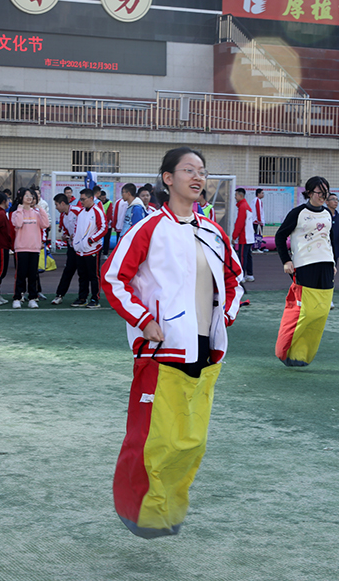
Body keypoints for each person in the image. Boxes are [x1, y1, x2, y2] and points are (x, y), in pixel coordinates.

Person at [101, 146, 243, 539]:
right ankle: (139, 513)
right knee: (153, 438)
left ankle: (167, 513)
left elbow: (234, 279)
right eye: (188, 170)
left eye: (202, 171)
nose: (198, 177)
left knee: (191, 442)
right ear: (168, 178)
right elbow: (114, 278)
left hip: (205, 348)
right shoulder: (149, 228)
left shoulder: (213, 232)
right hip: (161, 350)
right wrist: (144, 320)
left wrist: (225, 316)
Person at [274, 175, 335, 364]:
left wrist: (333, 262)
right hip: (305, 265)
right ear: (309, 192)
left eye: (326, 193)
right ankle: (286, 351)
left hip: (326, 264)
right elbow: (280, 236)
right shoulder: (298, 213)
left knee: (321, 311)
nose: (323, 197)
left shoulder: (327, 213)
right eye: (319, 192)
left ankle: (303, 354)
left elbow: (328, 239)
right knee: (305, 312)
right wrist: (286, 261)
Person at [10, 188, 50, 308]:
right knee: (21, 275)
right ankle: (17, 298)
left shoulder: (37, 213)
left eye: (31, 196)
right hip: (21, 248)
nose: (29, 198)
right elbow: (18, 223)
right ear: (21, 198)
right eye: (26, 195)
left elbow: (45, 224)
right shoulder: (16, 213)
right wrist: (20, 209)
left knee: (33, 275)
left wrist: (40, 209)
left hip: (34, 248)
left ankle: (33, 298)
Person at [72, 188, 108, 308]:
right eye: (80, 199)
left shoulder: (97, 211)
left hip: (92, 249)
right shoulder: (81, 212)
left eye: (83, 199)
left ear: (91, 198)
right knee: (82, 275)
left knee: (94, 275)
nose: (81, 202)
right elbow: (77, 228)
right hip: (80, 250)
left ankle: (95, 298)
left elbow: (103, 228)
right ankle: (82, 297)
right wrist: (75, 242)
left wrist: (91, 240)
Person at [50, 193, 81, 306]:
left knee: (84, 273)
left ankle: (85, 297)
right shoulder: (63, 215)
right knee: (68, 271)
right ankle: (59, 295)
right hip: (71, 247)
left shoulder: (78, 211)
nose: (56, 207)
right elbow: (65, 230)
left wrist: (76, 235)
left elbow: (85, 226)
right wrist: (65, 235)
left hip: (82, 248)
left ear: (63, 203)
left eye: (56, 205)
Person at [232, 188, 254, 282]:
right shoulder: (246, 206)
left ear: (241, 196)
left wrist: (234, 236)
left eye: (236, 195)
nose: (235, 197)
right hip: (249, 236)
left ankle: (241, 276)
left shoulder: (242, 207)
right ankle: (250, 274)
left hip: (244, 236)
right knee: (248, 256)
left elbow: (239, 223)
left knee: (242, 256)